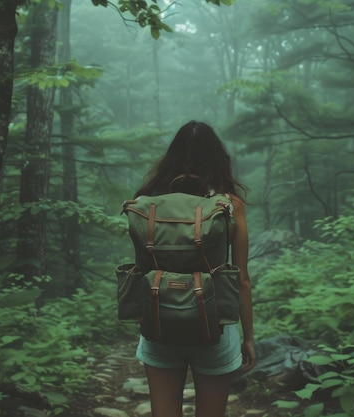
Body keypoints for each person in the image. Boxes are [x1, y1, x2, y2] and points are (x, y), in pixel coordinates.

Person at [133, 120, 255, 417]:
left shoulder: (146, 205)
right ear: (217, 159)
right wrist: (248, 337)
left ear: (171, 158)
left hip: (160, 323)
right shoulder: (229, 206)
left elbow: (141, 268)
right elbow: (242, 280)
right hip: (215, 324)